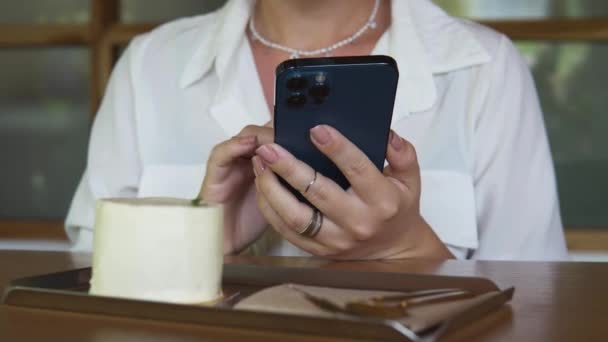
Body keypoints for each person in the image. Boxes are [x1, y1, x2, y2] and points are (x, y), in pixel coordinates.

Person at [66, 0, 568, 260]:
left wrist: (408, 249)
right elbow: (85, 287)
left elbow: (537, 310)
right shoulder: (149, 65)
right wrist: (197, 244)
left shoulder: (483, 69)